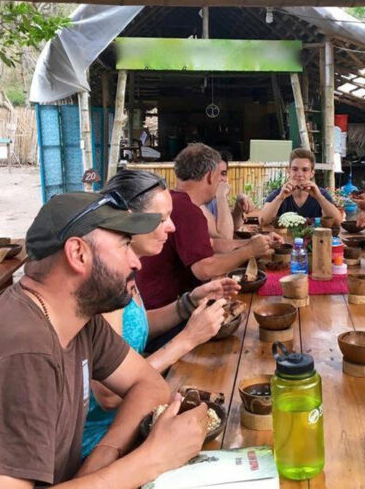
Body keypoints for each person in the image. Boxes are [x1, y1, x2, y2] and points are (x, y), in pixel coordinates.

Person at [0, 191, 209, 489]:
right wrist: (151, 459)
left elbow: (149, 384)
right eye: (125, 245)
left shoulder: (77, 317)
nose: (136, 262)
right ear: (77, 254)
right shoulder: (21, 352)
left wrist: (104, 456)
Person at [82, 170, 241, 458]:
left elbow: (138, 327)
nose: (172, 227)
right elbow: (108, 395)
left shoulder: (126, 268)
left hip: (140, 413)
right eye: (162, 218)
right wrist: (187, 339)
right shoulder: (103, 282)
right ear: (130, 218)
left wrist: (189, 302)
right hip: (107, 442)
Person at [136, 143, 276, 313]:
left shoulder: (175, 200)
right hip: (163, 313)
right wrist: (249, 251)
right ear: (210, 176)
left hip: (149, 304)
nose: (221, 181)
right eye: (219, 176)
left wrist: (255, 243)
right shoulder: (187, 210)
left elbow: (213, 244)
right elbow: (204, 268)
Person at [259, 148, 342, 225]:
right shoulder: (279, 194)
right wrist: (280, 197)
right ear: (289, 170)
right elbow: (262, 221)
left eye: (305, 170)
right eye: (295, 169)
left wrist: (319, 197)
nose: (299, 174)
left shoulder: (321, 194)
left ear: (312, 173)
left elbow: (337, 221)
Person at [201, 152, 255, 239]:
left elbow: (232, 226)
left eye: (223, 174)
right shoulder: (197, 202)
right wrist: (221, 196)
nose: (221, 179)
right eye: (215, 173)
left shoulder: (214, 199)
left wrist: (238, 207)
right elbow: (225, 238)